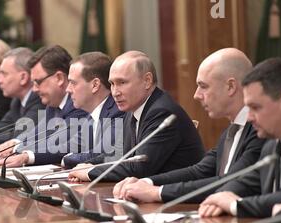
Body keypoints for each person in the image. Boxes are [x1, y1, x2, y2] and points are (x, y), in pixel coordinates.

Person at [112, 48, 265, 203]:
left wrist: (158, 192)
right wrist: (146, 182)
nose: (196, 95)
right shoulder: (230, 131)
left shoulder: (259, 131)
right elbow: (200, 171)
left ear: (231, 87)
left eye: (203, 86)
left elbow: (231, 182)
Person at [68, 51, 204, 182]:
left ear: (147, 81)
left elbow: (139, 167)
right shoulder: (133, 110)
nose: (115, 92)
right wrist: (87, 165)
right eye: (112, 84)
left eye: (122, 82)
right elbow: (119, 154)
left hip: (178, 199)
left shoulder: (162, 112)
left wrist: (91, 172)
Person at [199, 58, 281, 218]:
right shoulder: (271, 147)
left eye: (255, 107)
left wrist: (235, 205)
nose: (249, 118)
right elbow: (245, 183)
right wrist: (218, 199)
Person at [0, 45, 88, 168]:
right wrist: (16, 143)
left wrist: (24, 154)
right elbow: (38, 132)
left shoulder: (79, 104)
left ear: (59, 78)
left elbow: (60, 142)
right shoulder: (52, 103)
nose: (34, 89)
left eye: (38, 82)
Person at [62, 51, 125, 168]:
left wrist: (68, 159)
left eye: (73, 83)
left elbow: (103, 153)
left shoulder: (118, 111)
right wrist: (26, 154)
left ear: (95, 85)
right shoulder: (91, 115)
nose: (68, 89)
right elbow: (68, 146)